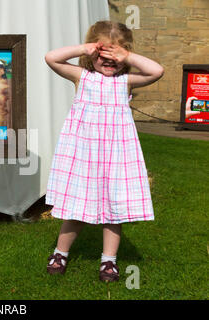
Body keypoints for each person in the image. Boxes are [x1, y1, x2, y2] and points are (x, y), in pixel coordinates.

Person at [44, 21, 164, 282]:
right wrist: (84, 49)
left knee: (114, 210)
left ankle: (108, 261)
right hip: (83, 155)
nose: (110, 62)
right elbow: (51, 58)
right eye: (103, 56)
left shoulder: (126, 81)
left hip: (116, 157)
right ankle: (60, 253)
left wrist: (128, 56)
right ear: (92, 55)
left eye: (116, 57)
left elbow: (157, 70)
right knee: (76, 209)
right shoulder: (82, 76)